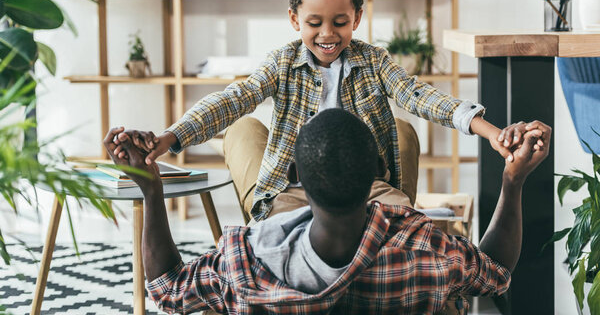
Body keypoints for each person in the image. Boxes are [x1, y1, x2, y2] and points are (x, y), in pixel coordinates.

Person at [112, 0, 540, 222]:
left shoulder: (373, 61)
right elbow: (233, 100)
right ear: (295, 20)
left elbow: (421, 96)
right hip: (296, 188)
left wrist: (492, 132)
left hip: (365, 185)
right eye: (314, 23)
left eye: (339, 22)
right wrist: (168, 138)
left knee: (403, 202)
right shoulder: (282, 62)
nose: (327, 34)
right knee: (250, 147)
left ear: (356, 17)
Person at [103, 109, 551, 314]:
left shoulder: (242, 261)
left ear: (293, 174)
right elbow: (494, 270)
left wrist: (151, 189)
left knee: (243, 130)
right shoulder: (425, 249)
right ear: (379, 172)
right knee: (401, 130)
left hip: (286, 219)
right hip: (391, 254)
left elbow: (167, 289)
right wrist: (513, 182)